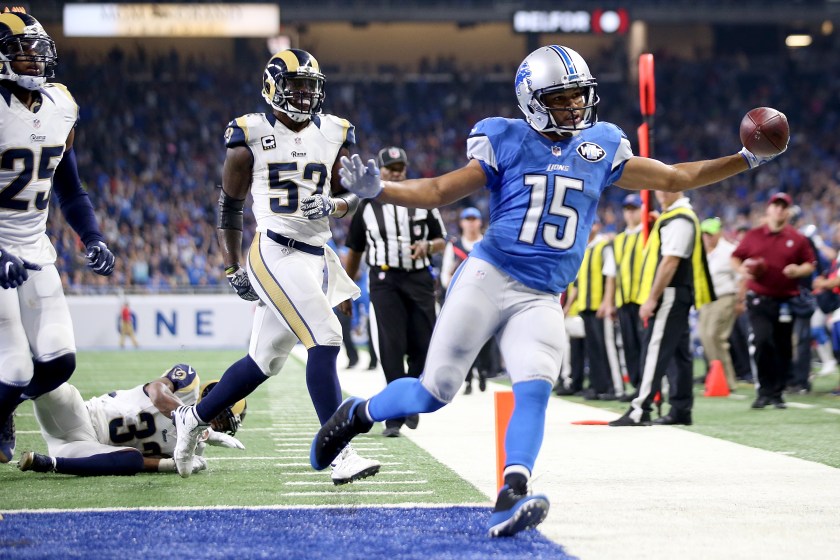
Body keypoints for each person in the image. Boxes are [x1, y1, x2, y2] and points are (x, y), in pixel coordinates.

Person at [310, 45, 786, 537]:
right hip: (488, 278)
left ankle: (512, 491)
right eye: (563, 98)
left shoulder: (601, 144)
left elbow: (675, 176)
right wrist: (379, 191)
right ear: (532, 99)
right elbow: (437, 191)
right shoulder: (504, 137)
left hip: (542, 295)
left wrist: (747, 158)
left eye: (580, 95)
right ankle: (358, 413)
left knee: (535, 388)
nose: (576, 106)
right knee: (434, 393)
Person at [171, 49, 380, 484]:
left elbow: (355, 193)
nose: (304, 95)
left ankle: (194, 417)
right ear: (273, 88)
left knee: (262, 362)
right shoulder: (249, 134)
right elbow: (229, 207)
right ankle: (339, 452)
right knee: (325, 338)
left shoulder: (337, 132)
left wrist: (338, 203)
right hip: (275, 249)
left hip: (316, 253)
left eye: (310, 87)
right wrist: (232, 267)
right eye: (295, 86)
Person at [0, 13, 116, 464]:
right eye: (23, 48)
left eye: (37, 48)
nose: (35, 58)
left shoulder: (61, 104)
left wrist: (93, 238)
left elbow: (68, 187)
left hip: (34, 248)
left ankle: (3, 408)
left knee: (59, 361)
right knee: (12, 368)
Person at [344, 146, 446, 437]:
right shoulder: (367, 204)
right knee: (391, 346)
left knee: (423, 346)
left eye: (400, 167)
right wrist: (346, 289)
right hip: (384, 280)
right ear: (380, 170)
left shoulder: (422, 198)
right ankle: (394, 415)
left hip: (419, 279)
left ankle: (409, 397)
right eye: (391, 168)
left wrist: (428, 246)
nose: (397, 172)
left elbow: (442, 239)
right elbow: (355, 250)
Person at [17, 364, 244, 476]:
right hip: (83, 416)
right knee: (49, 379)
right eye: (221, 418)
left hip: (86, 451)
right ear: (209, 394)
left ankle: (46, 464)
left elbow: (143, 461)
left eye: (224, 427)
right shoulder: (188, 384)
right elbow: (156, 391)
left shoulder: (194, 447)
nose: (217, 426)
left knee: (132, 459)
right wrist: (188, 419)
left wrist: (169, 465)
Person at [610, 191, 715, 426]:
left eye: (665, 187)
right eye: (657, 188)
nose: (660, 193)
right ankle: (680, 408)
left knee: (654, 348)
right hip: (677, 292)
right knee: (678, 353)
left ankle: (641, 408)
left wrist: (651, 299)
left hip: (670, 293)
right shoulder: (674, 217)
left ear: (678, 188)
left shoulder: (679, 218)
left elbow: (670, 261)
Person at [732, 193, 816, 409]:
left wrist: (798, 270)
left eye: (783, 206)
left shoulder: (797, 238)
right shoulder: (753, 235)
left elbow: (810, 263)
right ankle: (763, 391)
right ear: (768, 210)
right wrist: (742, 270)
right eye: (775, 206)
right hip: (759, 299)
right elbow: (736, 256)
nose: (779, 210)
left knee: (783, 347)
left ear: (787, 211)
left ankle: (777, 393)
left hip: (786, 300)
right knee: (761, 341)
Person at [440, 206, 500, 395]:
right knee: (462, 340)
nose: (471, 223)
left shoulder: (487, 243)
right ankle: (467, 379)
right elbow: (445, 273)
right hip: (461, 299)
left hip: (484, 298)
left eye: (475, 219)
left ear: (479, 222)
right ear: (462, 222)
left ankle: (483, 372)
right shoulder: (455, 246)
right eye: (468, 219)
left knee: (483, 340)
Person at [575, 221, 621, 401]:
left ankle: (615, 387)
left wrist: (607, 301)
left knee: (607, 347)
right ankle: (598, 385)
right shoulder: (585, 249)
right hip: (586, 305)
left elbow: (610, 275)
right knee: (592, 349)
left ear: (597, 226)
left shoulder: (604, 246)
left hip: (600, 305)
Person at [698, 217, 739, 391]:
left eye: (710, 233)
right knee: (705, 336)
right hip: (707, 300)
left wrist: (740, 299)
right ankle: (716, 376)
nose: (707, 237)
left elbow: (740, 276)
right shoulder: (701, 252)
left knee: (714, 335)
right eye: (705, 234)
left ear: (719, 233)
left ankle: (728, 380)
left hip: (724, 296)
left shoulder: (729, 251)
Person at [613, 194, 646, 395]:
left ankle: (648, 384)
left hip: (642, 298)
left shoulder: (648, 234)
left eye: (634, 208)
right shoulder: (619, 240)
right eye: (627, 209)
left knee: (644, 343)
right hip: (623, 299)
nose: (630, 212)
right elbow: (612, 272)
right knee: (630, 345)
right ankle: (636, 385)